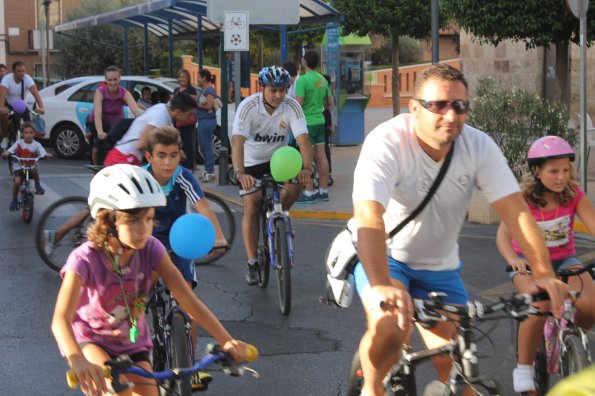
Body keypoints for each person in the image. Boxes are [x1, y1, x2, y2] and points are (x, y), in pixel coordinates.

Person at [351, 63, 569, 396]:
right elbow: (369, 214)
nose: (451, 115)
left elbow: (517, 213)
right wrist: (381, 285)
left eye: (459, 106)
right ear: (414, 109)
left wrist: (542, 272)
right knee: (392, 328)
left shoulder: (477, 146)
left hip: (441, 269)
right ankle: (371, 389)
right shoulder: (386, 142)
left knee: (462, 379)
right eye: (438, 105)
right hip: (389, 259)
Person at [51, 164, 253, 396]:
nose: (144, 229)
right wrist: (76, 359)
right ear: (108, 221)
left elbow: (188, 299)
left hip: (132, 344)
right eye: (134, 220)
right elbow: (60, 319)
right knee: (117, 391)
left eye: (149, 219)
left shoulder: (151, 249)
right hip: (93, 341)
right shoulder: (84, 259)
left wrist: (227, 341)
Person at [496, 135, 595, 393]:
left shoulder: (573, 195)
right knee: (538, 303)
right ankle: (524, 367)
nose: (561, 177)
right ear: (537, 171)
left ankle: (571, 338)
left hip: (565, 260)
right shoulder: (522, 199)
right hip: (528, 264)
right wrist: (513, 260)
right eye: (553, 171)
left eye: (566, 170)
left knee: (591, 302)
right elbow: (503, 236)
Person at [231, 65, 314, 285]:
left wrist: (307, 168)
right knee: (252, 204)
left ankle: (281, 216)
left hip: (280, 162)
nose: (278, 95)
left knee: (296, 184)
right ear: (262, 88)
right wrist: (239, 172)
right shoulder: (248, 107)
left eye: (283, 90)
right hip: (251, 164)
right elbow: (237, 142)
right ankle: (252, 263)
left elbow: (303, 139)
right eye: (273, 90)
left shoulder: (292, 106)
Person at [103, 92, 196, 167]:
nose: (191, 117)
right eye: (189, 114)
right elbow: (142, 143)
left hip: (126, 158)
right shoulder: (161, 117)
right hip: (123, 159)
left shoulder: (164, 111)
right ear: (178, 112)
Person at [295, 50, 334, 203]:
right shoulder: (322, 80)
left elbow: (299, 102)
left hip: (307, 123)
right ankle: (323, 191)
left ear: (305, 62)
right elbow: (330, 102)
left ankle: (309, 192)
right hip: (320, 121)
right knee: (321, 155)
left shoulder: (302, 80)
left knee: (307, 157)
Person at [86, 66, 143, 165]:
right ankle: (96, 166)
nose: (113, 83)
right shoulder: (100, 92)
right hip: (99, 122)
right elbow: (98, 113)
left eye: (115, 80)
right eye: (110, 80)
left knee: (117, 137)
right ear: (106, 80)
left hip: (115, 124)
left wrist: (145, 121)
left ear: (120, 78)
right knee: (99, 144)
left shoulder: (124, 93)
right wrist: (100, 132)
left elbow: (135, 111)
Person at [2, 121, 52, 210]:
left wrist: (46, 155)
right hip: (19, 166)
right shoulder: (19, 143)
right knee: (17, 181)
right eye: (26, 133)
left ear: (34, 134)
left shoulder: (37, 144)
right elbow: (11, 150)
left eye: (31, 132)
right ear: (22, 134)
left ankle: (37, 185)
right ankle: (14, 200)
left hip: (31, 165)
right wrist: (7, 153)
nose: (28, 135)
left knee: (35, 170)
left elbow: (42, 152)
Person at [0, 61, 45, 152]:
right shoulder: (7, 79)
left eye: (23, 71)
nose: (22, 73)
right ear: (13, 71)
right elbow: (2, 95)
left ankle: (32, 147)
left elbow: (36, 94)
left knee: (29, 125)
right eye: (19, 71)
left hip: (22, 106)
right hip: (9, 105)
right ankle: (5, 137)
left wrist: (41, 107)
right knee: (3, 116)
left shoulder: (27, 79)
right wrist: (1, 107)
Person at [172, 69, 198, 170]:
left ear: (188, 78)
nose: (181, 79)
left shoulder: (191, 90)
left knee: (188, 143)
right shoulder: (176, 90)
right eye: (180, 77)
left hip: (187, 122)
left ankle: (189, 165)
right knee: (178, 142)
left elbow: (192, 103)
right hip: (177, 121)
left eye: (183, 77)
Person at [196, 69, 219, 182]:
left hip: (206, 120)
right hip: (202, 120)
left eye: (199, 77)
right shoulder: (205, 90)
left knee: (207, 146)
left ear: (204, 78)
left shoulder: (209, 90)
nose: (197, 79)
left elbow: (209, 106)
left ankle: (210, 172)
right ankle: (207, 170)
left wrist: (197, 105)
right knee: (203, 146)